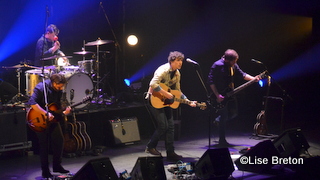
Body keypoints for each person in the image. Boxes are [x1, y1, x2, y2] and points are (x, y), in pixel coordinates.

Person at [145, 51, 197, 161]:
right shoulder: (163, 70)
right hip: (154, 98)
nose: (180, 63)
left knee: (171, 126)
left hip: (165, 101)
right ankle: (150, 146)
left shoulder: (177, 73)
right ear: (172, 61)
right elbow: (153, 84)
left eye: (181, 61)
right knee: (163, 126)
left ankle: (170, 152)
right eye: (178, 61)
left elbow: (178, 91)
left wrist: (188, 101)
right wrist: (166, 93)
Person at [208, 49, 261, 146]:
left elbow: (243, 74)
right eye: (234, 61)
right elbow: (211, 81)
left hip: (231, 95)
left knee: (233, 113)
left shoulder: (233, 66)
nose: (235, 63)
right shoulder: (217, 65)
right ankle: (222, 140)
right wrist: (217, 95)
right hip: (220, 96)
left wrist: (254, 79)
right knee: (224, 116)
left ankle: (218, 120)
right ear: (227, 60)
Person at [28, 73, 71, 178]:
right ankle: (45, 171)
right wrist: (45, 113)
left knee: (59, 141)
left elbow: (56, 106)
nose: (60, 88)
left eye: (62, 86)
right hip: (39, 118)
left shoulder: (59, 90)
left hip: (52, 119)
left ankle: (57, 166)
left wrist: (63, 112)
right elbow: (32, 102)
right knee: (44, 145)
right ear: (53, 82)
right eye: (59, 86)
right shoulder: (41, 87)